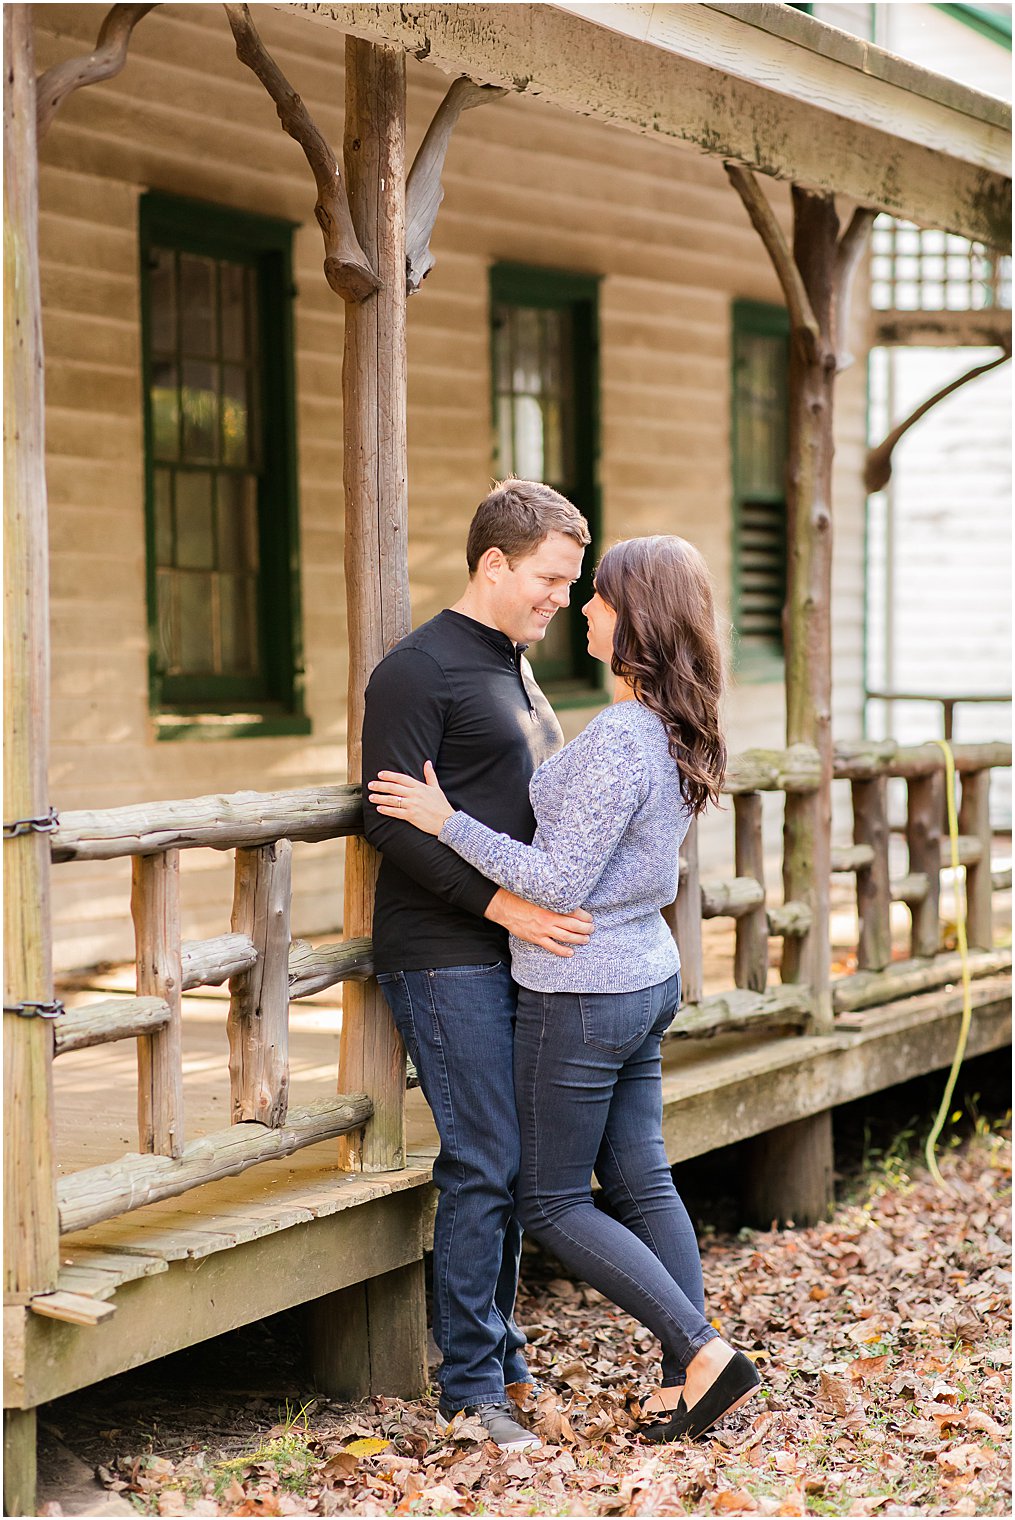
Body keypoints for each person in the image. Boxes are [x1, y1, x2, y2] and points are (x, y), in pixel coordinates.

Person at [369, 535, 762, 1443]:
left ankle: (700, 1352)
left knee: (549, 1199)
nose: (581, 607)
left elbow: (556, 879)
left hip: (584, 990)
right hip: (640, 975)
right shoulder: (668, 718)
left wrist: (446, 819)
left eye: (596, 595)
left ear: (634, 617)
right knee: (643, 1178)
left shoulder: (624, 736)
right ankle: (684, 1380)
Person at [361, 480, 594, 1453]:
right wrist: (508, 906)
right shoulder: (417, 670)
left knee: (510, 1159)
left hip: (508, 950)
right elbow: (387, 818)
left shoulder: (513, 664)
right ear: (493, 563)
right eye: (547, 579)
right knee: (484, 1157)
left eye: (570, 582)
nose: (560, 599)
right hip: (440, 951)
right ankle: (469, 1388)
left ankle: (498, 1355)